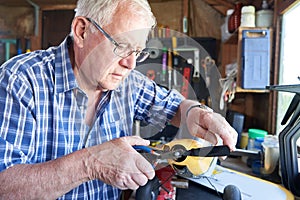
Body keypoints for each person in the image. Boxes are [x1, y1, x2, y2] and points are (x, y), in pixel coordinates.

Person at [0, 0, 238, 199]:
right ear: (82, 31)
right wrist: (91, 163)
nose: (131, 64)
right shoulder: (21, 80)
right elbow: (4, 186)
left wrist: (199, 114)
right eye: (122, 46)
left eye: (138, 52)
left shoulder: (127, 82)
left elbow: (175, 107)